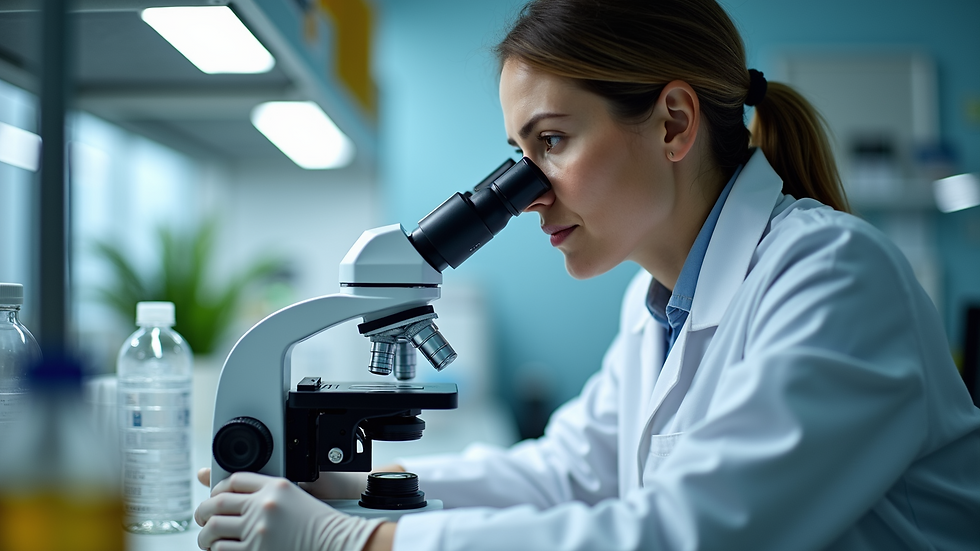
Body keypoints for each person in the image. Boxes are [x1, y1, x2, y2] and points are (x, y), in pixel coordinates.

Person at [194, 0, 980, 549]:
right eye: (520, 156)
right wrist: (350, 491)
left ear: (673, 123)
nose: (528, 194)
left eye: (552, 142)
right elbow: (566, 473)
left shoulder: (834, 276)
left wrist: (359, 542)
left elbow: (690, 533)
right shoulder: (656, 307)